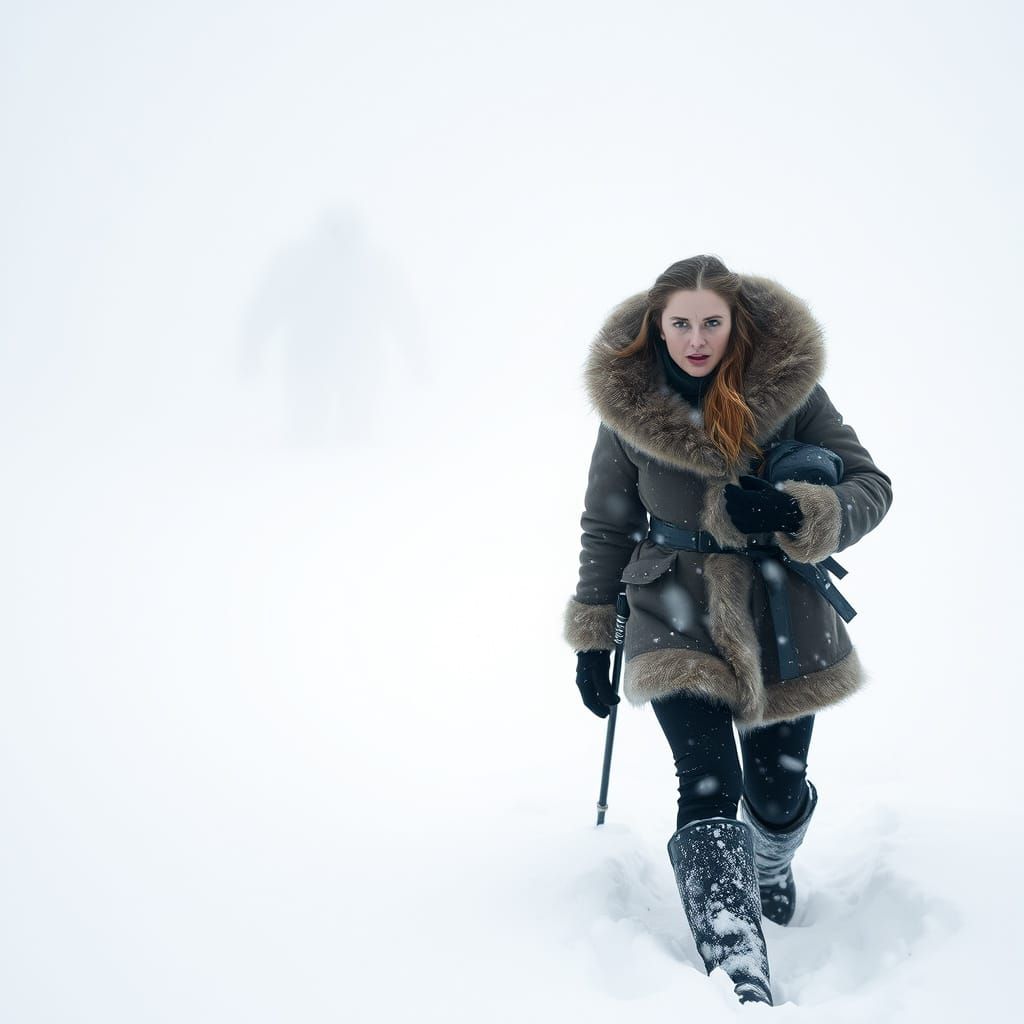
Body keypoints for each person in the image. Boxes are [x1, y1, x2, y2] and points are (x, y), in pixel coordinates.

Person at [563, 255, 893, 1006]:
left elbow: (873, 486)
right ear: (657, 325)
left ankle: (771, 862)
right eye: (680, 322)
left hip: (779, 607)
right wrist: (592, 637)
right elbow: (607, 526)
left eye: (711, 322)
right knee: (709, 780)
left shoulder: (793, 393)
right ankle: (735, 961)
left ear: (734, 322)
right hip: (670, 608)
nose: (696, 338)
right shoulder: (630, 410)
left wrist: (794, 511)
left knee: (775, 793)